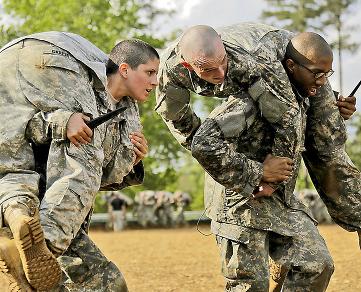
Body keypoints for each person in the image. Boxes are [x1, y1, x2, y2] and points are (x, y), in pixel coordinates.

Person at [0, 33, 158, 291]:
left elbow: (100, 177)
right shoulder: (83, 81)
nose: (156, 82)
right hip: (52, 55)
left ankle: (19, 223)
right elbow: (82, 164)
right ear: (124, 70)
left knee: (110, 285)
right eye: (150, 72)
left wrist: (132, 160)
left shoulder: (126, 113)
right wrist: (64, 121)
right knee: (82, 155)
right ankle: (42, 246)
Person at [155, 22, 361, 247]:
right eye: (208, 70)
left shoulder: (255, 59)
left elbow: (288, 116)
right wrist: (223, 161)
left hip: (301, 65)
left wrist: (274, 179)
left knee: (326, 148)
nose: (220, 74)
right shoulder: (170, 70)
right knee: (242, 140)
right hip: (264, 84)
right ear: (187, 64)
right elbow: (178, 119)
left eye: (223, 63)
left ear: (224, 46)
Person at [191, 32, 337, 291]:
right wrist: (257, 173)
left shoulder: (304, 96)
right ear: (290, 67)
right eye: (317, 73)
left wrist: (335, 107)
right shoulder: (250, 99)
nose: (322, 81)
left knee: (317, 265)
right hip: (241, 204)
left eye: (327, 73)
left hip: (280, 200)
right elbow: (203, 143)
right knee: (251, 286)